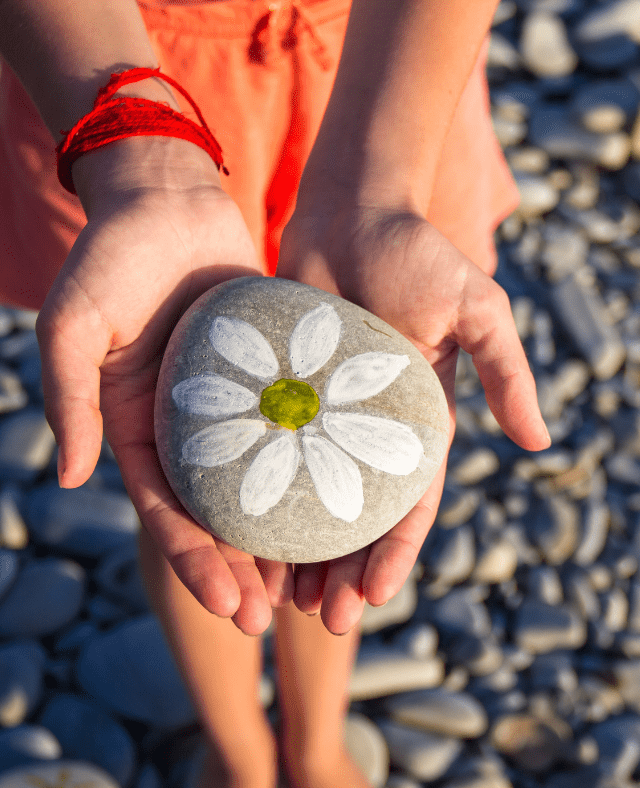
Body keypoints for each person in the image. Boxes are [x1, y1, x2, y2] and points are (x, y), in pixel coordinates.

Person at [0, 1, 550, 785]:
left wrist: (379, 185)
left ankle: (317, 740)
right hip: (113, 65)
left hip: (396, 81)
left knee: (329, 534)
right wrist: (141, 165)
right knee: (197, 507)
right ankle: (240, 753)